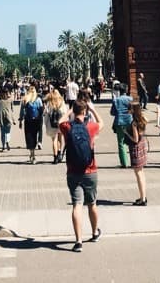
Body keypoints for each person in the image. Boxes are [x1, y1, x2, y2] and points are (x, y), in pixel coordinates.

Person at [59, 98, 103, 252]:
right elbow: (102, 123)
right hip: (90, 170)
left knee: (77, 205)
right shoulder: (90, 127)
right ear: (84, 112)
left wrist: (69, 111)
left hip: (72, 171)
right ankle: (94, 232)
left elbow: (59, 121)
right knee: (92, 204)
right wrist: (93, 109)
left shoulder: (67, 127)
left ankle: (78, 241)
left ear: (74, 111)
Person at [124, 103, 148, 205]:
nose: (128, 111)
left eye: (129, 109)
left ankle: (142, 199)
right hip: (142, 146)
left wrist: (126, 133)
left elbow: (135, 139)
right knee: (141, 173)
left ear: (133, 110)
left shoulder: (134, 123)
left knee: (138, 173)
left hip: (136, 148)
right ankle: (143, 196)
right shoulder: (142, 119)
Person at [110, 83, 133, 168]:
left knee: (121, 143)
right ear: (126, 90)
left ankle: (124, 163)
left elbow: (112, 113)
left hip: (119, 122)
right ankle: (133, 161)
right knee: (131, 142)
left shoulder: (116, 100)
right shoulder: (131, 99)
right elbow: (134, 111)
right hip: (130, 122)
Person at [19, 84, 43, 163]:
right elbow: (41, 110)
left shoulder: (25, 99)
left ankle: (32, 154)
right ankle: (33, 156)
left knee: (29, 137)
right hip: (36, 121)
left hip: (28, 120)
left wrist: (20, 120)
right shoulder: (38, 99)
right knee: (34, 136)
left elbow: (22, 111)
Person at [44, 87, 68, 163]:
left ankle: (55, 157)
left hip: (52, 124)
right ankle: (59, 153)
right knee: (60, 138)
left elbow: (46, 113)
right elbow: (65, 112)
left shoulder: (50, 102)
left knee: (54, 140)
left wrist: (46, 123)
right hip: (60, 123)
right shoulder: (61, 101)